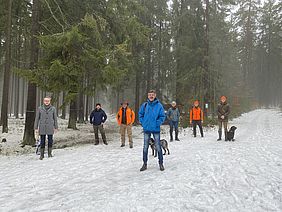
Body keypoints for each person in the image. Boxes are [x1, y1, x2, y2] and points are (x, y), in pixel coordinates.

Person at [139, 90, 166, 171]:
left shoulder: (159, 106)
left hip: (155, 129)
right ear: (148, 96)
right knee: (145, 147)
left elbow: (162, 116)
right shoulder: (144, 105)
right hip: (146, 129)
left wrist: (157, 123)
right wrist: (143, 122)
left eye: (152, 95)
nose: (151, 96)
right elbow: (140, 114)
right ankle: (144, 164)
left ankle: (161, 163)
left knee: (158, 146)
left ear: (155, 96)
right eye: (150, 95)